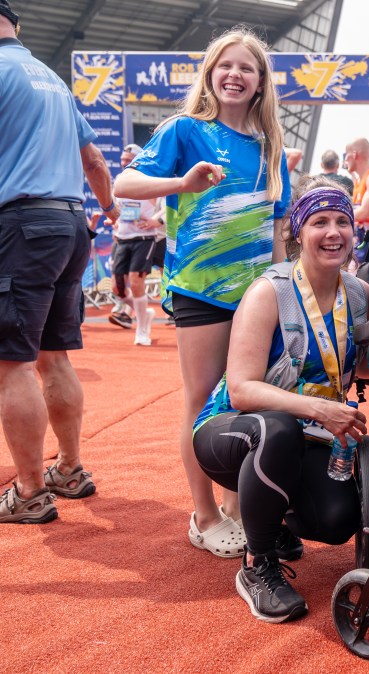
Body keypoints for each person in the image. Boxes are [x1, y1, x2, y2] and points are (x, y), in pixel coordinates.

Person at [114, 27, 291, 556]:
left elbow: (278, 232)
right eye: (225, 66)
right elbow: (124, 184)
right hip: (201, 290)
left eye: (247, 68)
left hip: (259, 294)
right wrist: (182, 185)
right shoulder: (183, 130)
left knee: (248, 402)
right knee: (201, 400)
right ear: (211, 75)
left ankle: (238, 508)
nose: (235, 75)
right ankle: (204, 514)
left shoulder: (271, 148)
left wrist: (285, 289)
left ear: (260, 83)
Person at [194, 183, 369, 623]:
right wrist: (321, 409)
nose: (333, 232)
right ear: (299, 233)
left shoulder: (358, 294)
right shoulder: (269, 292)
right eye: (320, 223)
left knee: (337, 520)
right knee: (275, 428)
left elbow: (358, 367)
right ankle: (258, 567)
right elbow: (242, 389)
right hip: (232, 427)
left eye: (342, 222)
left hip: (310, 436)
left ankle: (273, 521)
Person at [0, 0, 119, 523]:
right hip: (70, 224)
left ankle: (28, 490)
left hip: (22, 225)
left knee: (13, 365)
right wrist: (111, 208)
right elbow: (93, 159)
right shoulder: (48, 76)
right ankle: (68, 467)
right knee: (55, 356)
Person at [107, 143, 162, 345]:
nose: (124, 163)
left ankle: (142, 329)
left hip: (144, 238)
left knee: (136, 282)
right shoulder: (119, 182)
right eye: (122, 160)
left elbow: (166, 205)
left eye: (128, 160)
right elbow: (117, 210)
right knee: (117, 288)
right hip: (122, 239)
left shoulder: (150, 181)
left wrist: (157, 220)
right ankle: (144, 312)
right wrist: (113, 221)